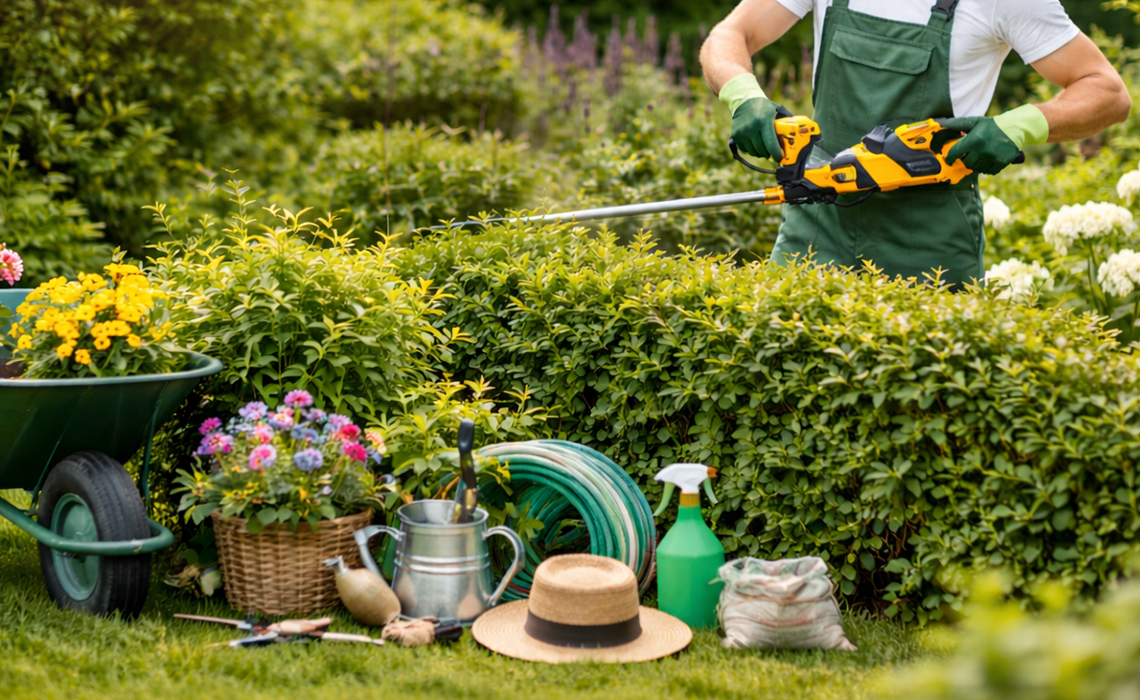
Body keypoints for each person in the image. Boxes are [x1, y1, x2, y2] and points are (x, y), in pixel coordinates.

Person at [701, 0, 1131, 287]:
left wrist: (1020, 124)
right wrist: (743, 94)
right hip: (817, 218)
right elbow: (732, 33)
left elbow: (1107, 92)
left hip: (927, 235)